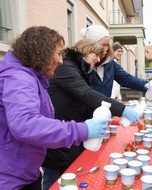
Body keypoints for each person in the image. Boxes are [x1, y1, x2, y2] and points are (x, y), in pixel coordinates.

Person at [0, 26, 111, 189]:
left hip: (26, 171)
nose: (60, 60)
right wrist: (80, 130)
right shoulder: (19, 79)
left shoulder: (34, 78)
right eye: (59, 53)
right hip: (12, 178)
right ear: (42, 52)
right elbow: (26, 124)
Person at [42, 38, 140, 189]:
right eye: (97, 54)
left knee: (67, 176)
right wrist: (122, 109)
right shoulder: (66, 68)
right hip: (58, 130)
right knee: (54, 178)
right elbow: (86, 94)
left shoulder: (80, 69)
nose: (99, 59)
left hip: (68, 129)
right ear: (87, 50)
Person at [80, 25, 150, 98]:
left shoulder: (110, 63)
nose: (106, 49)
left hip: (105, 106)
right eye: (103, 45)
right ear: (91, 45)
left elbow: (125, 78)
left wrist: (144, 84)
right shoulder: (79, 64)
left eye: (107, 45)